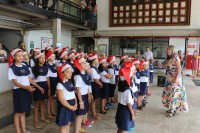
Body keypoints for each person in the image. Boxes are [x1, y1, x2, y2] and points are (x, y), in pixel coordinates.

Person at [8, 48, 43, 133]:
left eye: (22, 55)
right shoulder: (12, 68)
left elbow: (29, 79)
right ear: (14, 57)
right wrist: (27, 87)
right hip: (19, 92)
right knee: (18, 113)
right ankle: (18, 131)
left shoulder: (25, 66)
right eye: (18, 56)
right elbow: (15, 83)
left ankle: (23, 130)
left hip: (26, 91)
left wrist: (38, 86)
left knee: (23, 112)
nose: (21, 57)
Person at [157, 45, 188, 117]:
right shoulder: (168, 58)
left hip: (176, 80)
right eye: (167, 49)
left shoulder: (176, 58)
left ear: (172, 51)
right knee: (168, 94)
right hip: (169, 79)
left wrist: (176, 79)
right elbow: (165, 67)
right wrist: (160, 65)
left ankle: (172, 111)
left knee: (173, 95)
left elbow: (179, 69)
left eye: (169, 49)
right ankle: (171, 108)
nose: (167, 51)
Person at [56, 64, 77, 133]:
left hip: (71, 105)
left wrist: (76, 104)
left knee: (69, 123)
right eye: (67, 72)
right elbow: (61, 98)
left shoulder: (70, 82)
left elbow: (73, 94)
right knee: (64, 125)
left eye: (71, 72)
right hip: (64, 107)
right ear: (62, 73)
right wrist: (70, 107)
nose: (70, 73)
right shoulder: (60, 84)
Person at [32, 52, 51, 128]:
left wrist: (49, 88)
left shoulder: (46, 67)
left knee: (43, 102)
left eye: (44, 58)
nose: (43, 59)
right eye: (41, 58)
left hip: (44, 85)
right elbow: (32, 80)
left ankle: (42, 117)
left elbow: (47, 78)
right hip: (37, 86)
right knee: (36, 104)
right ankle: (36, 121)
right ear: (37, 59)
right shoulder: (33, 68)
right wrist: (37, 87)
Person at [74, 58, 92, 133]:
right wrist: (81, 102)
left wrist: (89, 95)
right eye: (83, 63)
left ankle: (79, 128)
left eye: (85, 63)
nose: (86, 64)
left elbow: (87, 86)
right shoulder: (78, 76)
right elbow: (78, 90)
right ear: (79, 65)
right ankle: (76, 131)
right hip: (80, 97)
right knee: (80, 114)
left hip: (85, 95)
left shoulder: (86, 74)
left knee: (83, 113)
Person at [115, 66, 135, 133]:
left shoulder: (121, 88)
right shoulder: (127, 91)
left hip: (120, 108)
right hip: (125, 110)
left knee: (121, 127)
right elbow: (129, 104)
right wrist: (132, 114)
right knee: (124, 128)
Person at [88, 54, 103, 120]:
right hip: (94, 85)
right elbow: (95, 79)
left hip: (96, 84)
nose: (98, 60)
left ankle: (94, 112)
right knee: (93, 100)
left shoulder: (95, 68)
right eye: (96, 59)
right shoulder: (92, 69)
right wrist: (100, 84)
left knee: (95, 99)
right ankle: (93, 113)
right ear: (93, 61)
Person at [46, 51, 57, 118]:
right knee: (49, 98)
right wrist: (49, 88)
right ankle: (48, 112)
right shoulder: (47, 66)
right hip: (50, 82)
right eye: (52, 56)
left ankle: (52, 111)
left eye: (54, 56)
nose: (54, 58)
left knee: (52, 98)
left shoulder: (53, 65)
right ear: (49, 57)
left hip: (54, 82)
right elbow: (48, 78)